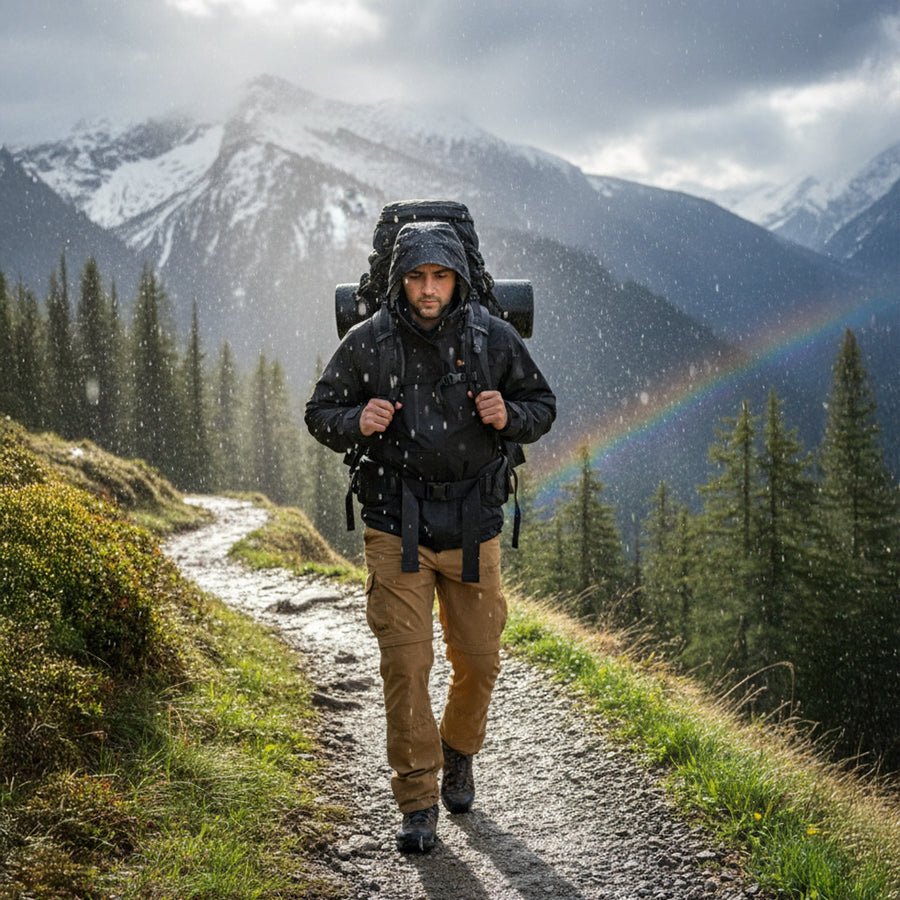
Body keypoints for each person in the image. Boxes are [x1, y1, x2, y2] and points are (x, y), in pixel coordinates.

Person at [305, 216, 556, 853]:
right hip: (397, 524)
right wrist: (356, 419)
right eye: (417, 276)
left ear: (458, 279)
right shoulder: (369, 341)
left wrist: (510, 414)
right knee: (406, 663)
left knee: (479, 658)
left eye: (440, 276)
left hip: (473, 524)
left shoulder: (493, 336)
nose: (427, 289)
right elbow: (320, 412)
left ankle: (458, 750)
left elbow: (542, 407)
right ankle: (417, 799)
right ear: (399, 280)